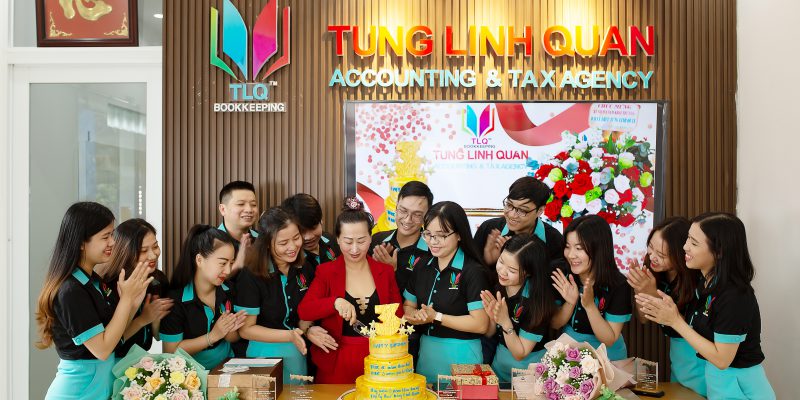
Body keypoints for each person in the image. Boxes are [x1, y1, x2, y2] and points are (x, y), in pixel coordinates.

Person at [636, 213, 775, 399]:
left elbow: (722, 359)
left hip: (741, 389)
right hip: (718, 386)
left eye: (694, 243)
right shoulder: (705, 285)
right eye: (688, 239)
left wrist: (675, 321)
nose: (684, 247)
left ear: (719, 252)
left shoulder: (734, 295)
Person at [37, 202, 151, 399]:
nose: (113, 242)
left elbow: (115, 336)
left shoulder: (94, 282)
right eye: (105, 237)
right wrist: (126, 300)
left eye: (112, 235)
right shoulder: (71, 291)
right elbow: (103, 350)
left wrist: (132, 302)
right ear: (81, 242)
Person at [298, 197, 401, 383]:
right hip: (336, 359)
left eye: (361, 241)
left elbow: (398, 314)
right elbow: (305, 310)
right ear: (337, 239)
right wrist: (334, 302)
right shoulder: (326, 272)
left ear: (371, 238)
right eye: (348, 241)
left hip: (379, 358)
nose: (355, 249)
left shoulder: (385, 271)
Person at [403, 201, 490, 384]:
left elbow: (480, 324)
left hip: (463, 355)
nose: (433, 242)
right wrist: (416, 315)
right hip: (427, 354)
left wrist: (436, 317)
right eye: (428, 234)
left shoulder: (472, 271)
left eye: (441, 235)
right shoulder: (422, 266)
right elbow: (408, 305)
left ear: (459, 235)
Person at [234, 207, 318, 382]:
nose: (292, 247)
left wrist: (308, 329)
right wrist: (290, 336)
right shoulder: (251, 275)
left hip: (298, 353)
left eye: (296, 238)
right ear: (266, 243)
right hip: (264, 355)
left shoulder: (305, 267)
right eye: (283, 243)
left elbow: (308, 311)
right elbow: (246, 329)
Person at [626, 217, 705, 396]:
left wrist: (651, 293)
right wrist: (641, 290)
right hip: (677, 356)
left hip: (698, 355)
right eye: (651, 247)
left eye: (661, 255)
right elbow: (644, 319)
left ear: (681, 254)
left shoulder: (697, 281)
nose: (652, 257)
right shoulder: (654, 270)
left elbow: (690, 328)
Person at [161, 225, 247, 370]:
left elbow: (233, 338)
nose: (228, 270)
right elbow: (171, 351)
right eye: (223, 263)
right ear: (199, 260)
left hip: (227, 369)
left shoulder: (229, 290)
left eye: (231, 263)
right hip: (188, 376)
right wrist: (212, 336)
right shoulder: (175, 300)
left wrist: (230, 329)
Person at [551, 215, 632, 361]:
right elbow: (555, 324)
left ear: (599, 249)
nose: (571, 255)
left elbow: (609, 339)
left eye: (579, 248)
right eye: (567, 247)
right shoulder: (561, 273)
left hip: (608, 358)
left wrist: (589, 306)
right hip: (570, 351)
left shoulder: (619, 284)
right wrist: (570, 302)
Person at [370, 181, 433, 366]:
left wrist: (392, 273)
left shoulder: (432, 250)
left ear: (427, 216)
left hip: (411, 337)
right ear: (396, 207)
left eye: (417, 214)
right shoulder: (377, 241)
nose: (407, 219)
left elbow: (424, 298)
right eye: (403, 211)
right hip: (374, 333)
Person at [480, 235, 557, 384]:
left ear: (529, 272)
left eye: (512, 270)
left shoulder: (536, 301)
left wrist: (504, 321)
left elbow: (520, 353)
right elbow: (490, 333)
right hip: (499, 369)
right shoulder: (500, 286)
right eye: (501, 261)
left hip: (529, 377)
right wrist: (492, 317)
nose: (502, 271)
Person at [100, 219, 173, 358]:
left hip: (142, 361)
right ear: (125, 252)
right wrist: (143, 319)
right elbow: (110, 344)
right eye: (143, 251)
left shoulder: (158, 280)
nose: (153, 255)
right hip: (113, 363)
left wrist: (155, 320)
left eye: (155, 246)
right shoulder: (107, 285)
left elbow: (158, 336)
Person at [474, 176, 565, 268]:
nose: (512, 215)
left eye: (522, 210)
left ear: (540, 210)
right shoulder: (489, 229)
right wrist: (487, 262)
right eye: (509, 205)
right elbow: (471, 270)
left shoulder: (554, 240)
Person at [282, 193, 341, 268]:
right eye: (301, 231)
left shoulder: (332, 241)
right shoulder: (288, 260)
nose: (308, 237)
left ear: (321, 221)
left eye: (313, 228)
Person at [217, 180, 260, 272]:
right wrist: (239, 263)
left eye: (253, 204)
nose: (249, 209)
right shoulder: (208, 242)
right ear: (223, 209)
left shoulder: (261, 239)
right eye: (241, 204)